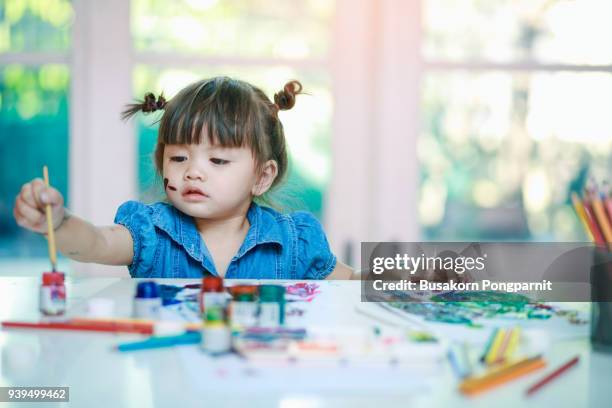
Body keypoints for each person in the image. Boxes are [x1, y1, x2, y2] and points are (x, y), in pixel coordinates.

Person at [13, 76, 353, 280]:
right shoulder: (151, 231)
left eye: (218, 159)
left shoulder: (295, 242)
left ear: (262, 177)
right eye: (178, 157)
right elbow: (96, 244)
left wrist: (401, 279)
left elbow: (352, 281)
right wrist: (57, 223)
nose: (192, 171)